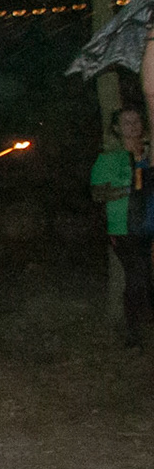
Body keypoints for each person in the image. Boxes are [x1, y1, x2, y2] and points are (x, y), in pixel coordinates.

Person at [90, 104, 152, 349]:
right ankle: (133, 334)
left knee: (145, 278)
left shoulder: (149, 154)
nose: (133, 126)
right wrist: (130, 189)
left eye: (136, 121)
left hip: (150, 223)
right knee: (136, 277)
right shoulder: (108, 158)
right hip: (123, 228)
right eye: (126, 122)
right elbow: (97, 194)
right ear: (116, 128)